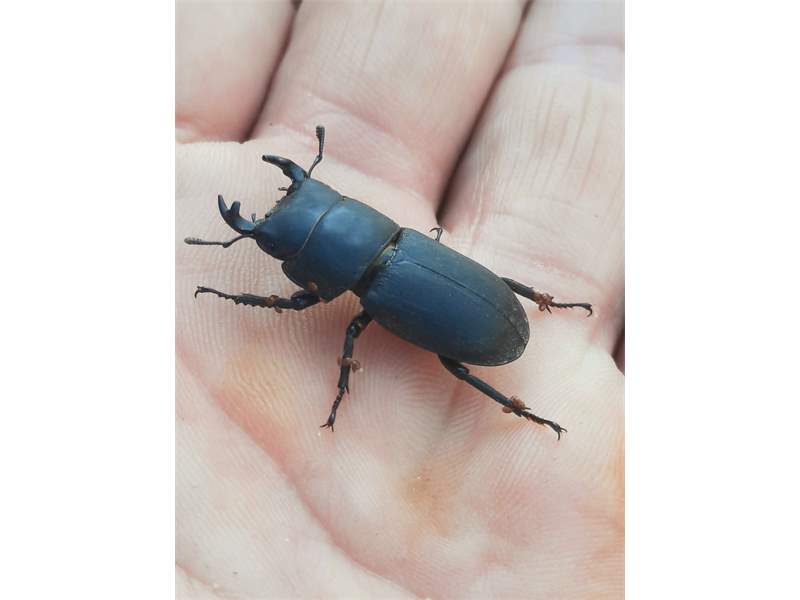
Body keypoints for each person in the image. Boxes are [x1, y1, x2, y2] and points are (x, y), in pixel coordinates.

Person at [176, 2, 624, 597]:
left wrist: (242, 291)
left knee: (453, 368)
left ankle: (521, 398)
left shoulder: (370, 293)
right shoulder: (406, 240)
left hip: (487, 327)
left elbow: (291, 304)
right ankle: (539, 324)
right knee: (455, 340)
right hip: (454, 285)